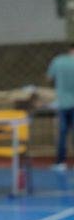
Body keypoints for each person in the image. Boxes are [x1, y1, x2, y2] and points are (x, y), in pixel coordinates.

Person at [48, 42, 74, 171]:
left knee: (63, 133)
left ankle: (60, 163)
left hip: (63, 103)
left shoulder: (57, 61)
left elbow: (49, 78)